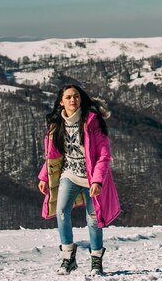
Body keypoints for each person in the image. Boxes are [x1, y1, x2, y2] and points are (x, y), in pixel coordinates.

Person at [38, 84, 120, 276]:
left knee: (93, 220)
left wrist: (97, 181)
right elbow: (53, 155)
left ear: (80, 99)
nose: (73, 100)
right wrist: (44, 176)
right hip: (69, 174)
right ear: (61, 101)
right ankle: (68, 257)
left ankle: (96, 260)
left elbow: (104, 155)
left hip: (92, 179)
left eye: (76, 96)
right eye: (68, 97)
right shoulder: (57, 123)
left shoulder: (93, 121)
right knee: (61, 211)